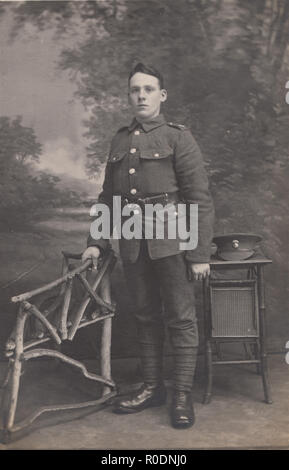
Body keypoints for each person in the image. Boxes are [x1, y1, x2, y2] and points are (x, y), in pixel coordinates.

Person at [82, 63, 214, 429]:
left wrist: (200, 254)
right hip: (132, 241)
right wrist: (95, 241)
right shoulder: (119, 140)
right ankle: (152, 387)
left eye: (149, 89)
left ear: (162, 95)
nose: (141, 95)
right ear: (129, 95)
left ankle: (181, 395)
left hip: (173, 241)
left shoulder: (178, 137)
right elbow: (107, 196)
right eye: (135, 90)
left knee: (181, 318)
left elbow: (199, 199)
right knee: (144, 315)